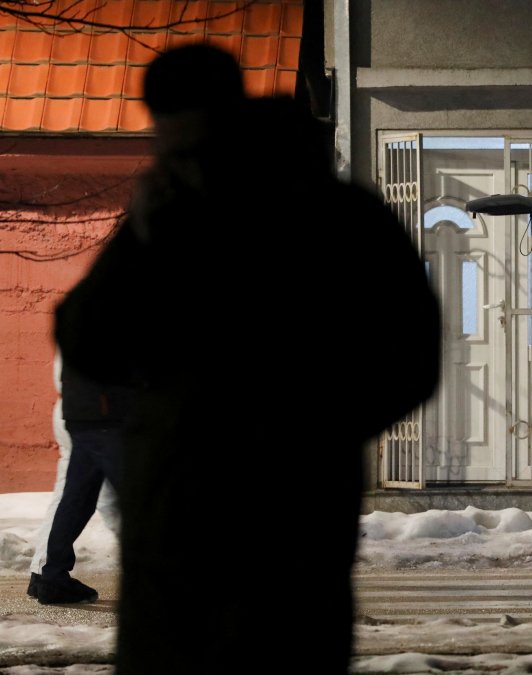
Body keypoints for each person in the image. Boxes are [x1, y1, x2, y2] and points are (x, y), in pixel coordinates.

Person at [54, 44, 439, 674]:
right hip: (280, 508)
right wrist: (321, 434)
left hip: (218, 504)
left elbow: (89, 336)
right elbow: (411, 357)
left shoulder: (190, 215)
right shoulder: (344, 215)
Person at [27, 351, 123, 604]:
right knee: (121, 499)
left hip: (78, 410)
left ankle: (48, 574)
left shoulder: (78, 314)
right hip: (108, 414)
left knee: (74, 496)